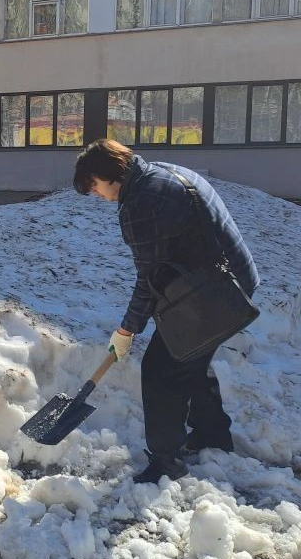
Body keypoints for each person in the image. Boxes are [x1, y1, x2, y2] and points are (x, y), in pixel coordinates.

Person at [72, 139, 259, 484]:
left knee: (160, 371)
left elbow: (149, 278)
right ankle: (213, 433)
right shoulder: (163, 173)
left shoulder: (142, 203)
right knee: (188, 354)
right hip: (231, 280)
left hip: (215, 292)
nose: (95, 194)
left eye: (94, 186)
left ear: (111, 174)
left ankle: (166, 462)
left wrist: (127, 330)